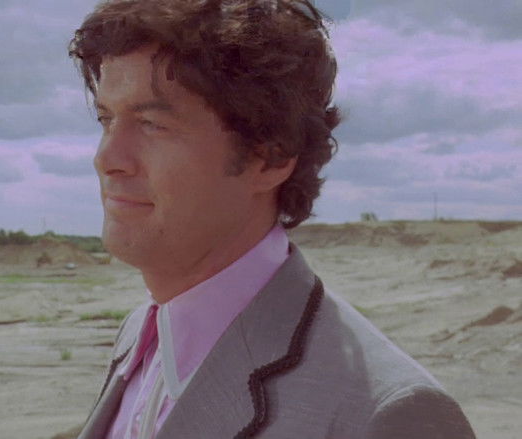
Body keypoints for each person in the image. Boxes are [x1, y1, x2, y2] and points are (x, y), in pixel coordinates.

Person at [67, 0, 476, 438]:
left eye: (151, 123)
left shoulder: (391, 414)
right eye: (107, 119)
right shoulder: (140, 337)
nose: (106, 158)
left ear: (270, 157)